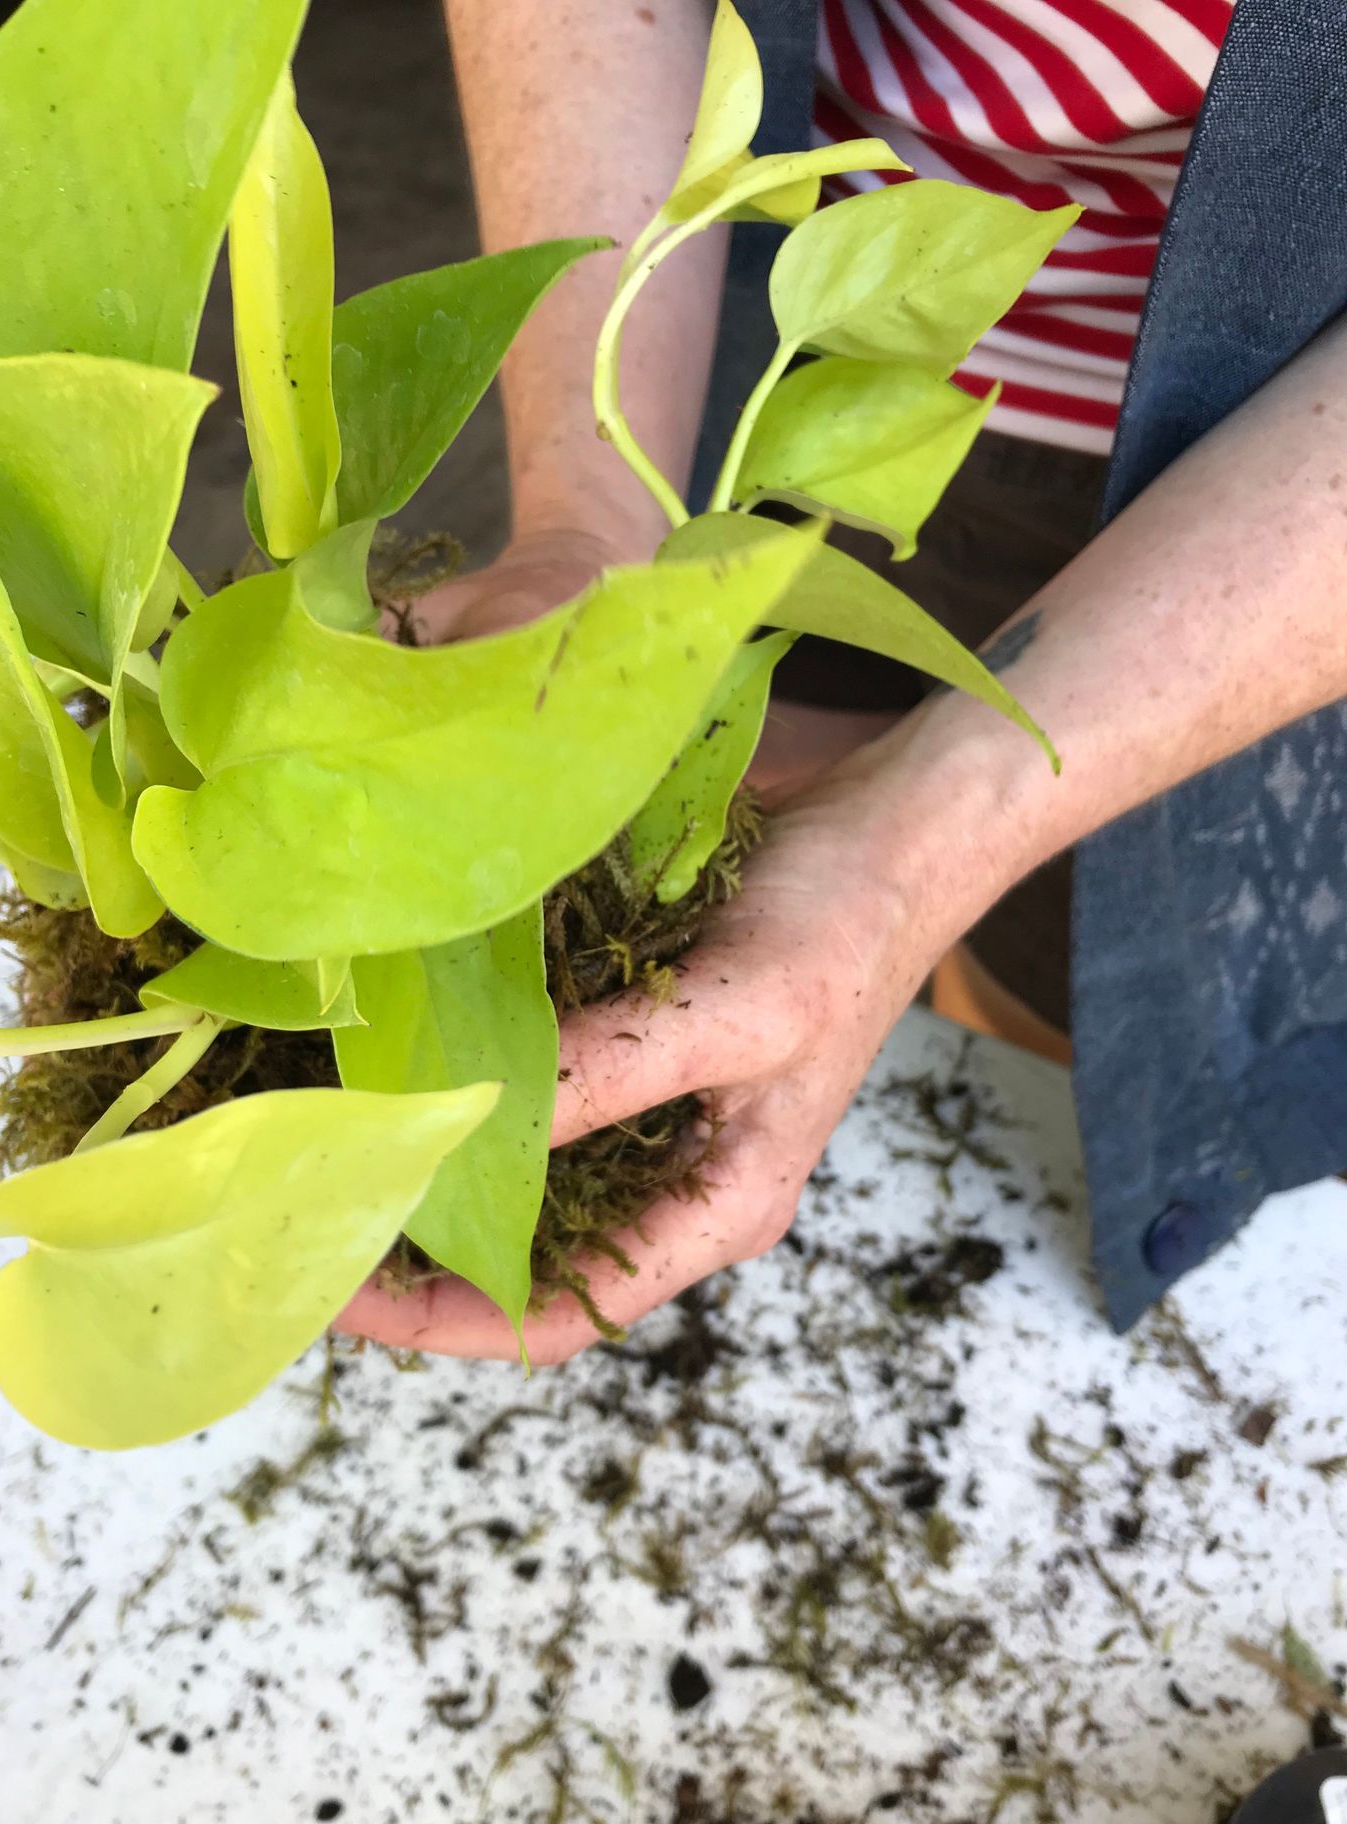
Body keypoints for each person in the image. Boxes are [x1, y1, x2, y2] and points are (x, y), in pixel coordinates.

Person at [337, 0, 1347, 1362]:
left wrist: (925, 846)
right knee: (708, 821)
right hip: (781, 342)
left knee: (1064, 974)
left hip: (1269, 510)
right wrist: (585, 515)